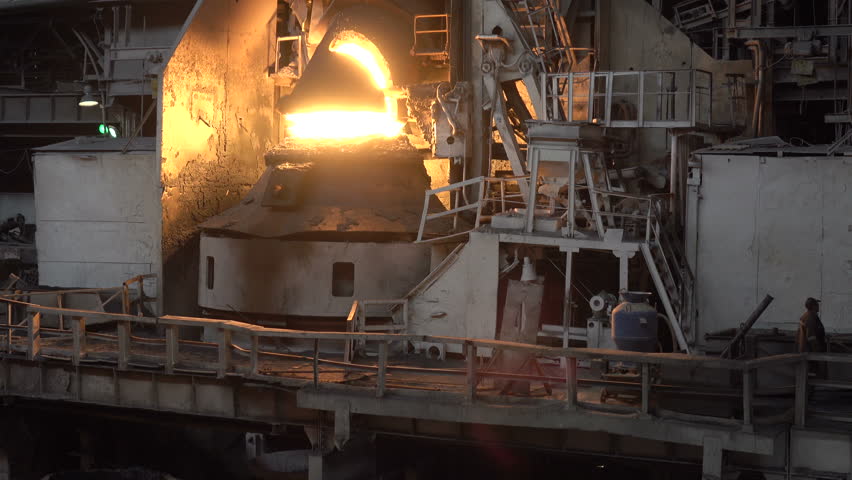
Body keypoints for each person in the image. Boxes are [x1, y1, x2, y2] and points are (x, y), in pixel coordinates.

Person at [798, 297, 828, 379]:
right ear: (813, 306)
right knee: (811, 375)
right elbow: (811, 337)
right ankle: (810, 390)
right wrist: (818, 353)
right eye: (817, 304)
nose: (818, 306)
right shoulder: (810, 318)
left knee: (810, 375)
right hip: (811, 353)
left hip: (809, 351)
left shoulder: (808, 316)